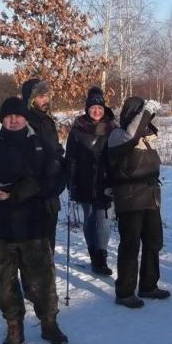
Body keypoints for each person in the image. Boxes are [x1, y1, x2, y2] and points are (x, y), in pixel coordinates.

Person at [0, 97, 68, 344]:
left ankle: (49, 322)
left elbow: (58, 181)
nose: (13, 120)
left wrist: (35, 188)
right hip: (0, 230)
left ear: (25, 119)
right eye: (8, 116)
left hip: (35, 227)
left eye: (18, 116)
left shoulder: (41, 147)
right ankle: (14, 326)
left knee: (42, 280)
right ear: (2, 119)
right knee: (5, 283)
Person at [106, 97, 170, 308]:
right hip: (129, 197)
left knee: (153, 243)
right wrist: (146, 109)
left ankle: (148, 286)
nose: (146, 118)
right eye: (142, 114)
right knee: (130, 245)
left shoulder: (147, 136)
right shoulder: (118, 135)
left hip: (150, 196)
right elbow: (131, 135)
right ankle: (124, 292)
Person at [65, 86, 117, 276]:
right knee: (89, 218)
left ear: (104, 110)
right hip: (84, 181)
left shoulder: (113, 129)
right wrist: (71, 182)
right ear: (87, 109)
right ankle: (92, 252)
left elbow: (119, 157)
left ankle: (101, 257)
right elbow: (70, 157)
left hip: (106, 182)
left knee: (104, 219)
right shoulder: (78, 129)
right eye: (93, 107)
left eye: (100, 108)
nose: (96, 111)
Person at [21, 78, 64, 254]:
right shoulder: (24, 122)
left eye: (47, 95)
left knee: (48, 241)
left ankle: (47, 276)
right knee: (33, 243)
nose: (45, 100)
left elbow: (53, 149)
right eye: (40, 96)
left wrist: (62, 162)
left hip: (51, 191)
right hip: (32, 193)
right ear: (31, 99)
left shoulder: (48, 120)